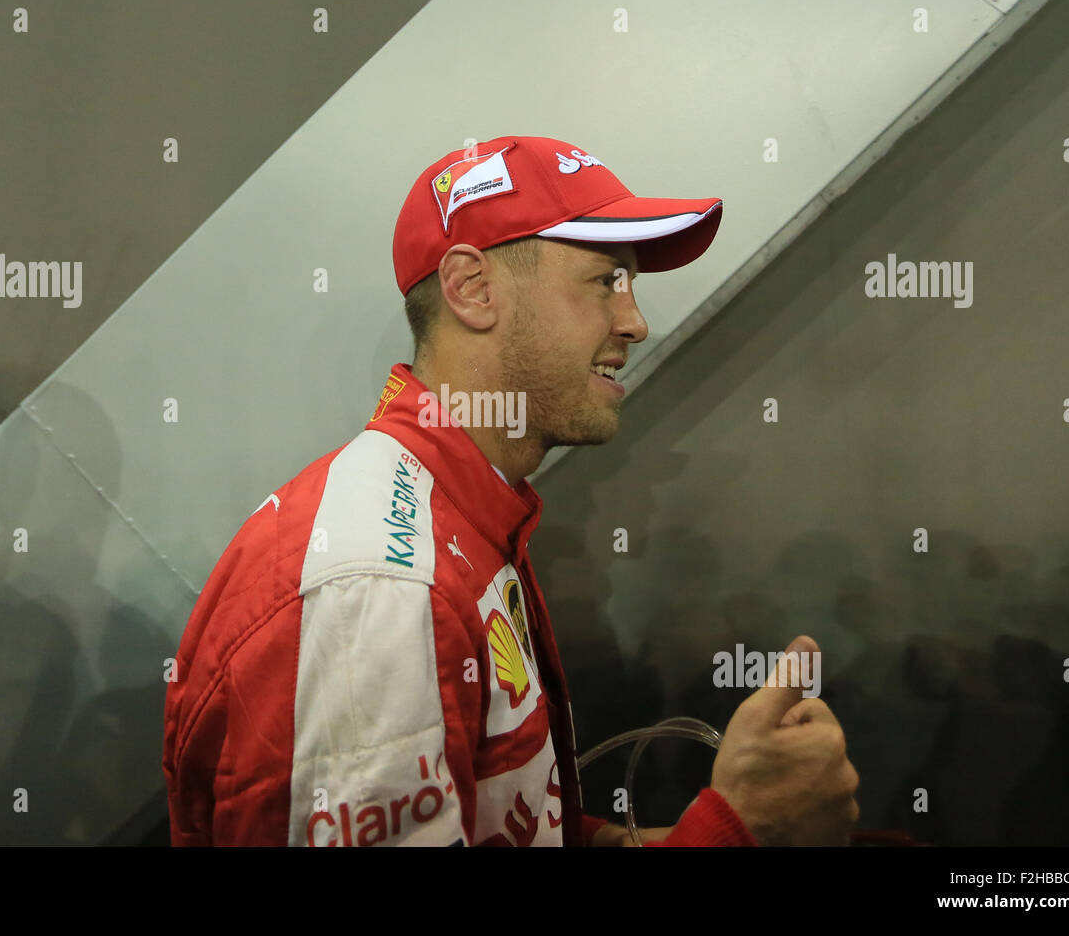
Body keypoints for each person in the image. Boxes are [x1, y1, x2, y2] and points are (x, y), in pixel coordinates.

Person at [161, 135, 859, 846]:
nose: (636, 322)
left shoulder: (457, 518)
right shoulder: (381, 583)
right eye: (605, 281)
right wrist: (738, 832)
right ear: (472, 289)